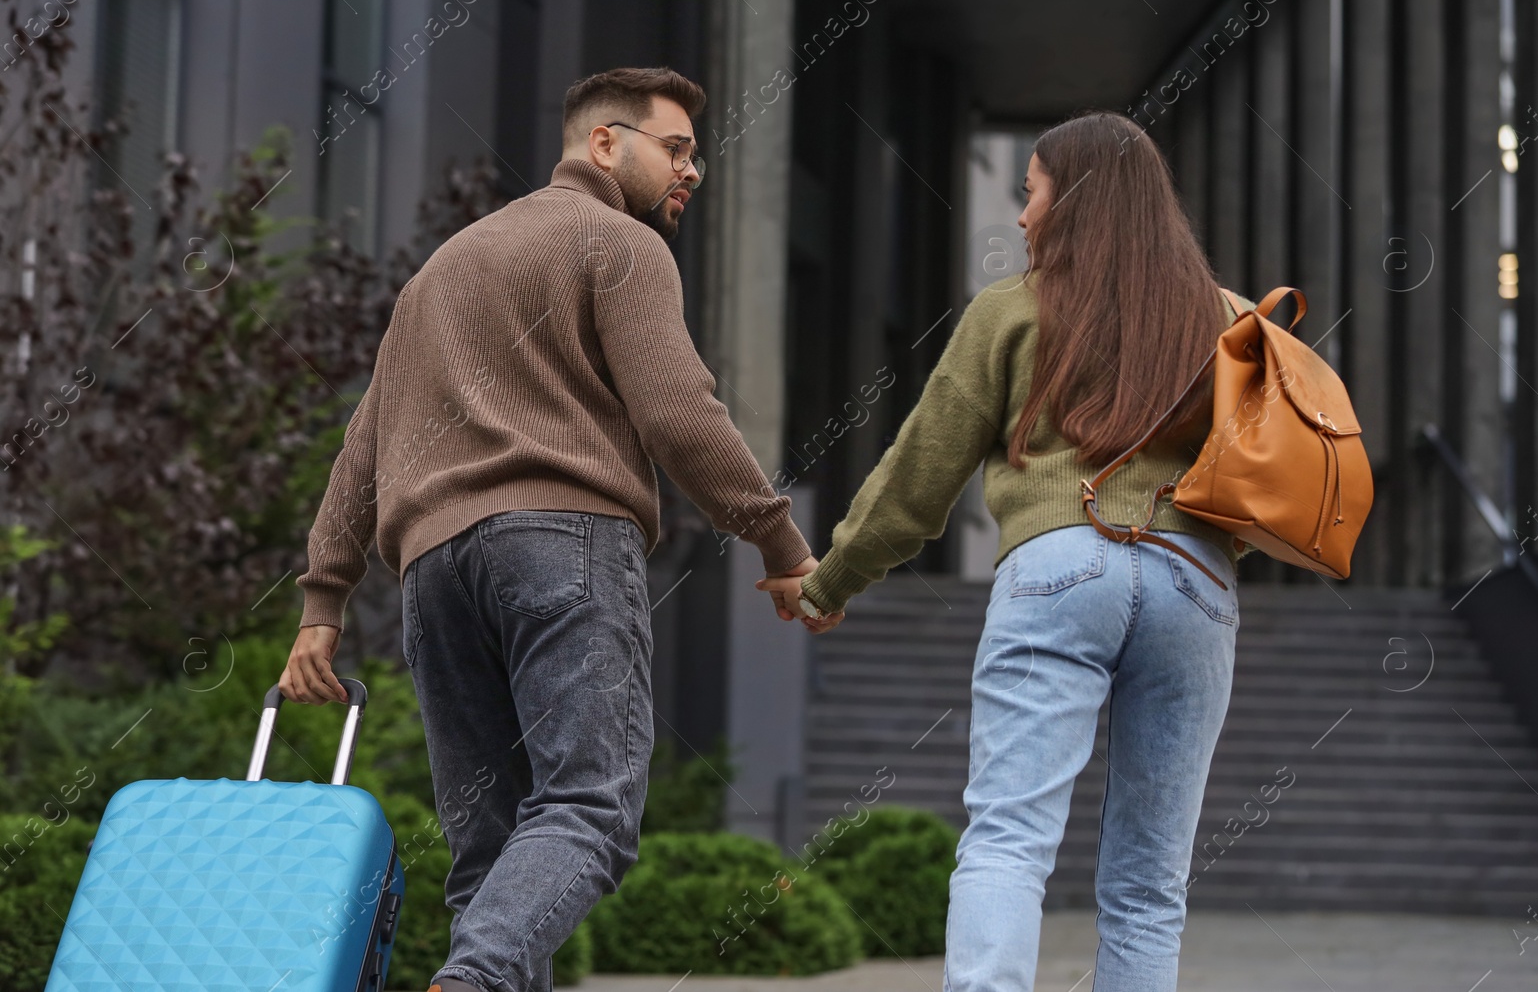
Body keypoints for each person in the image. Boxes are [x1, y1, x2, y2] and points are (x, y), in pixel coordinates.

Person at [278, 66, 817, 992]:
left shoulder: (438, 273)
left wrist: (322, 601)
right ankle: (473, 981)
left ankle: (474, 972)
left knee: (491, 848)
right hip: (562, 540)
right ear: (604, 142)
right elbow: (680, 413)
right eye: (677, 149)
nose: (694, 172)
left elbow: (362, 447)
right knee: (590, 806)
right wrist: (778, 540)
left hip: (434, 572)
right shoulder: (618, 241)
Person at [759, 110, 1258, 992]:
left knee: (1008, 839)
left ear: (1074, 204)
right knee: (1151, 879)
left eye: (1031, 194)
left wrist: (830, 580)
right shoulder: (1230, 322)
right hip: (1195, 583)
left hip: (1061, 565)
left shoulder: (1013, 310)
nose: (1022, 217)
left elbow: (919, 475)